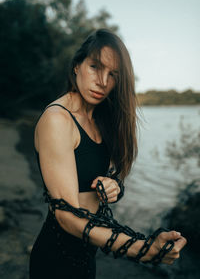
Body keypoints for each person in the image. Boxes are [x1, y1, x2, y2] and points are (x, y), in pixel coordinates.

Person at [29, 28, 187, 279]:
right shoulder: (58, 120)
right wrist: (143, 250)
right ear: (76, 66)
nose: (103, 81)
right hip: (57, 259)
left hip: (86, 254)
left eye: (113, 74)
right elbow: (67, 216)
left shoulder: (99, 118)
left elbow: (97, 174)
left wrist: (113, 185)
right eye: (95, 67)